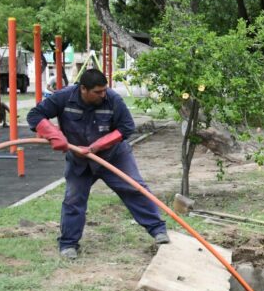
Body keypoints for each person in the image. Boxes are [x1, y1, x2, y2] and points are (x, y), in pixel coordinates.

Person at [26, 68, 168, 259]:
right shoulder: (64, 97)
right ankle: (68, 244)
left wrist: (96, 146)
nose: (103, 95)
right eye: (98, 92)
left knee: (134, 188)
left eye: (104, 90)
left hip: (114, 156)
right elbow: (35, 115)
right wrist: (54, 134)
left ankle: (158, 230)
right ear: (83, 89)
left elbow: (126, 128)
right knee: (73, 199)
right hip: (79, 159)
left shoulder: (112, 99)